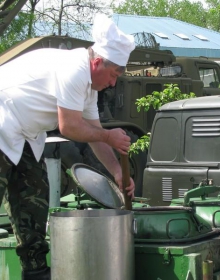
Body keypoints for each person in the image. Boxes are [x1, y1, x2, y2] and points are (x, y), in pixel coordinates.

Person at [0, 14, 135, 280]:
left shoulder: (89, 88)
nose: (113, 83)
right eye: (113, 74)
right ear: (97, 63)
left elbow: (94, 135)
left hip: (24, 134)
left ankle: (35, 271)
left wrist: (117, 173)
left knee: (33, 197)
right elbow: (69, 127)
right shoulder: (74, 69)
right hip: (3, 121)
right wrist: (109, 136)